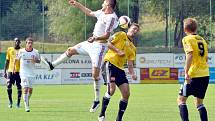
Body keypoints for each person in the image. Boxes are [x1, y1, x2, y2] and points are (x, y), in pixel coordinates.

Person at [42, 0, 118, 112]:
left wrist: (95, 38)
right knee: (70, 50)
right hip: (91, 43)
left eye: (104, 2)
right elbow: (89, 12)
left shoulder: (111, 17)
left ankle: (96, 100)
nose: (102, 3)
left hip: (99, 47)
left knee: (95, 75)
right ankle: (52, 65)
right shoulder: (102, 12)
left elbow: (107, 35)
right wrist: (77, 4)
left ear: (108, 5)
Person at [98, 23, 140, 121]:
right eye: (134, 28)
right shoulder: (121, 34)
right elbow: (108, 43)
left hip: (120, 69)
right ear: (129, 28)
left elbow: (130, 64)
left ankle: (119, 119)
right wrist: (117, 51)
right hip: (110, 64)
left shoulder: (133, 47)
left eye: (137, 30)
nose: (135, 31)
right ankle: (101, 114)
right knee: (111, 90)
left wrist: (133, 74)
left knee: (126, 94)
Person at [177, 18, 210, 121]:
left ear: (185, 28)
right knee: (199, 103)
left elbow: (190, 54)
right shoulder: (202, 39)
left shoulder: (187, 39)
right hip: (205, 75)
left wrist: (186, 72)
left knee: (181, 100)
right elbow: (205, 58)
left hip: (193, 74)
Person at [14, 37, 40, 112]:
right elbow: (16, 59)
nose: (30, 44)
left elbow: (39, 60)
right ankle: (26, 106)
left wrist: (35, 60)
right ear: (26, 43)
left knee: (30, 90)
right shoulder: (21, 51)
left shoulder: (36, 51)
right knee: (25, 88)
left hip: (31, 73)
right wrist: (14, 69)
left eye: (31, 43)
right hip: (23, 73)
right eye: (28, 43)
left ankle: (26, 100)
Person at [4, 37, 22, 108]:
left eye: (18, 41)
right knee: (8, 85)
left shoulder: (22, 51)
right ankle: (10, 102)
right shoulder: (10, 49)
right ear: (14, 42)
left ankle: (18, 103)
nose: (16, 42)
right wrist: (5, 71)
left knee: (19, 87)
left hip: (19, 72)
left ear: (20, 43)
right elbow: (7, 61)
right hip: (10, 71)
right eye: (15, 41)